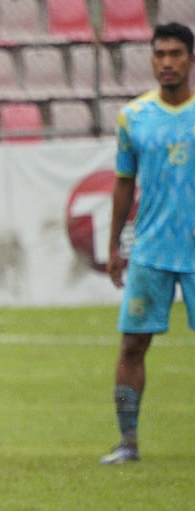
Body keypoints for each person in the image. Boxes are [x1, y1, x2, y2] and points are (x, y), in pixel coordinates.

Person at [102, 22, 195, 465]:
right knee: (132, 345)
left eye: (176, 54)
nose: (167, 63)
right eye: (160, 54)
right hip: (151, 250)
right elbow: (124, 183)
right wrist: (115, 244)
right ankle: (128, 442)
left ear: (191, 59)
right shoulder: (134, 116)